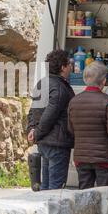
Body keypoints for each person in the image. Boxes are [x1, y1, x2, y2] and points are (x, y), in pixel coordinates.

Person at [68, 61, 108, 189]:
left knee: (84, 194)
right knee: (104, 194)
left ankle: (84, 210)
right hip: (104, 158)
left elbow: (71, 130)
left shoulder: (74, 101)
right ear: (104, 81)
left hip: (81, 157)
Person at [27, 49, 75, 190]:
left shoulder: (41, 84)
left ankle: (42, 212)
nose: (71, 67)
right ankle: (51, 213)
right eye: (69, 64)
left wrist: (31, 129)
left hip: (45, 143)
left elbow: (32, 111)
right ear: (62, 67)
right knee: (55, 190)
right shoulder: (60, 88)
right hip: (57, 144)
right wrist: (36, 132)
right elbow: (50, 115)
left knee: (46, 188)